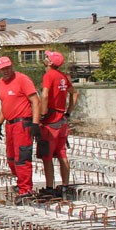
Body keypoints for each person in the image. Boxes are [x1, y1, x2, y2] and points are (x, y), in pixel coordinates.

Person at [0, 55, 42, 202]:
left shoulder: (22, 79)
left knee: (22, 158)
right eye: (2, 69)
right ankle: (21, 182)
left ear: (12, 66)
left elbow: (35, 101)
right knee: (11, 159)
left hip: (22, 124)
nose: (6, 71)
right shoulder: (1, 83)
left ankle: (26, 189)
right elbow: (5, 104)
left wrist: (35, 123)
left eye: (8, 68)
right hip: (10, 124)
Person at [39, 50, 76, 196]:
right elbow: (75, 93)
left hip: (51, 122)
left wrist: (42, 114)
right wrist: (68, 112)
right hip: (62, 121)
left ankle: (49, 188)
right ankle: (65, 185)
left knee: (47, 156)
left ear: (50, 62)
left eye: (47, 56)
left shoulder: (49, 75)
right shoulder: (63, 77)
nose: (45, 57)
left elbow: (45, 95)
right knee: (62, 154)